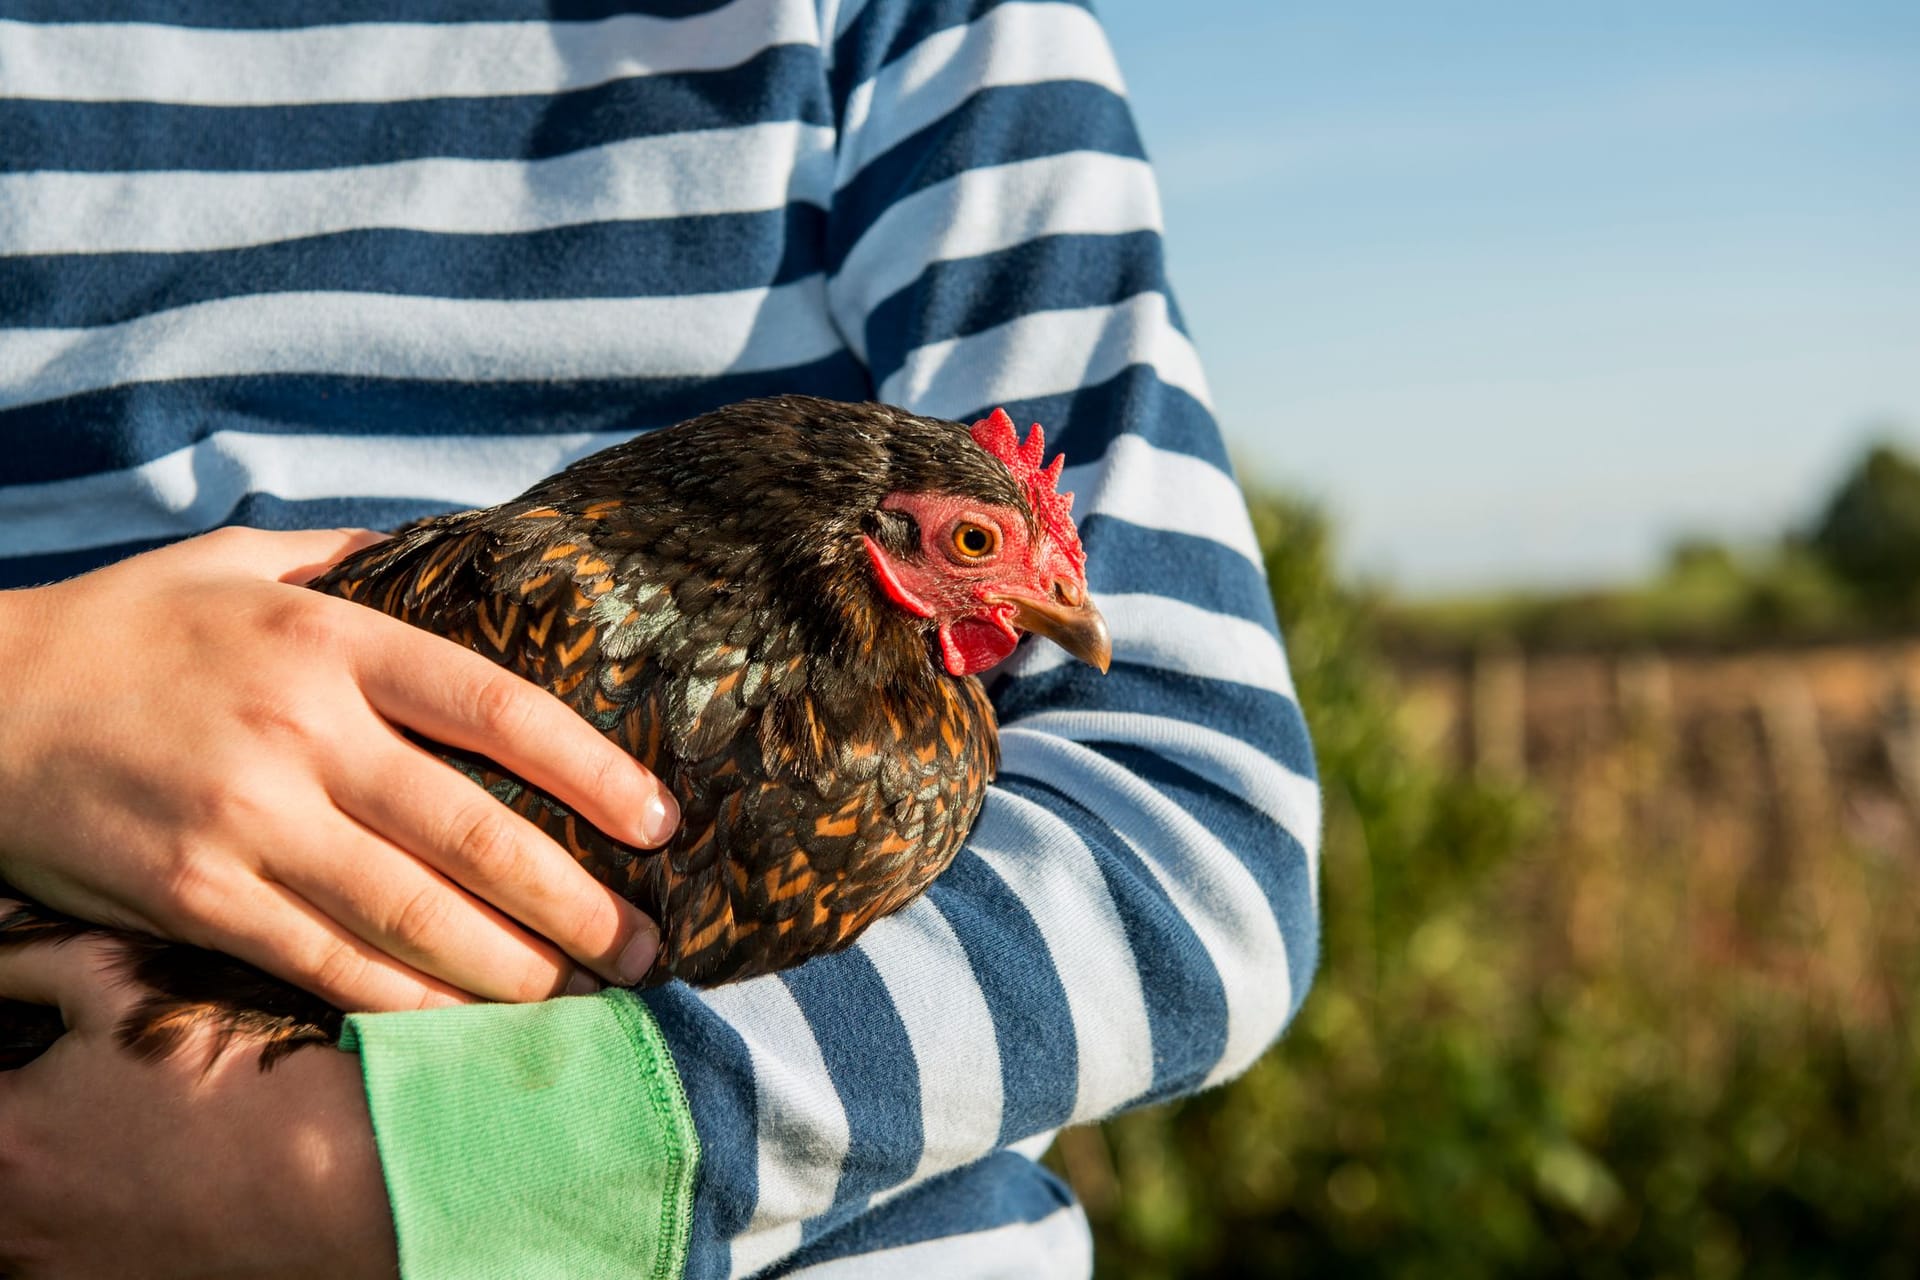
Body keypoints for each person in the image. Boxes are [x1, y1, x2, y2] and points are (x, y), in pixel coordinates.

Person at [0, 2, 1321, 1276]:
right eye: (974, 542)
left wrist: (439, 1166)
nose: (1050, 603)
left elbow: (1203, 843)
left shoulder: (898, 23)